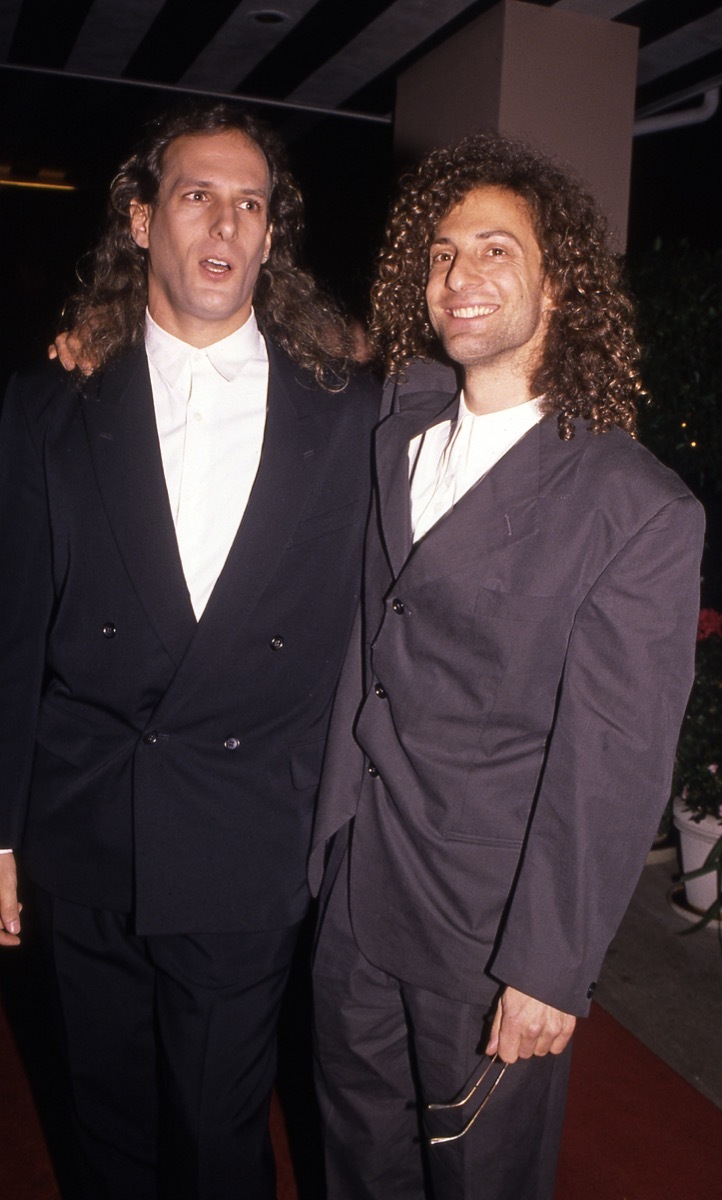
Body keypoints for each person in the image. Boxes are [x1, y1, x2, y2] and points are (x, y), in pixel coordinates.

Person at [309, 132, 704, 1200]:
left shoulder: (634, 507)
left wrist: (547, 962)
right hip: (353, 890)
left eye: (494, 251)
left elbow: (611, 762)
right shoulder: (397, 425)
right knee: (356, 1163)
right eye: (440, 255)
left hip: (484, 932)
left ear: (558, 285)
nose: (458, 278)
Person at [0, 100, 378, 1200]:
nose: (224, 222)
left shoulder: (352, 410)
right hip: (85, 833)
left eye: (249, 203)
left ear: (270, 237)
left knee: (220, 1136)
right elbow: (13, 627)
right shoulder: (47, 406)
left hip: (248, 833)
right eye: (196, 195)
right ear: (139, 220)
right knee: (102, 1129)